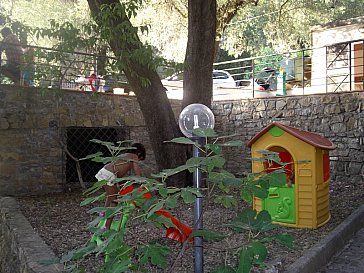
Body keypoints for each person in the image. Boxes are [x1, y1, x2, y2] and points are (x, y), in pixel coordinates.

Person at [95, 143, 146, 229]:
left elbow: (121, 176)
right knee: (115, 201)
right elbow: (138, 174)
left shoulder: (124, 156)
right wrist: (143, 181)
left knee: (111, 195)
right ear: (139, 154)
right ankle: (106, 226)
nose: (138, 162)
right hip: (109, 175)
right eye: (140, 160)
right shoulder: (134, 157)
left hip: (103, 172)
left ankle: (103, 213)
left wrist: (129, 184)